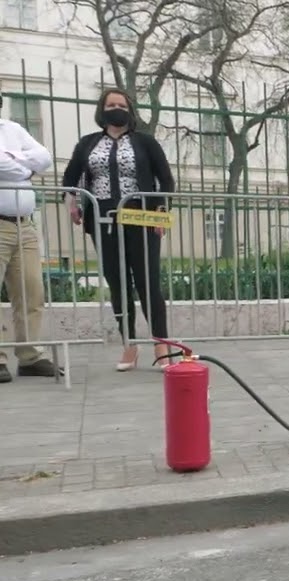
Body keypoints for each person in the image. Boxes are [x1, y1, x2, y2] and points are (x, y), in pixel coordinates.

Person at [61, 88, 175, 371]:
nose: (116, 109)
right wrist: (72, 203)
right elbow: (70, 178)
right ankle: (129, 345)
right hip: (102, 219)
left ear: (130, 110)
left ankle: (161, 344)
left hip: (141, 217)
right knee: (117, 281)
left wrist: (161, 208)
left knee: (148, 280)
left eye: (121, 105)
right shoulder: (88, 143)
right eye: (110, 104)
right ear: (102, 109)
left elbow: (166, 179)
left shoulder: (145, 142)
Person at [0, 94, 58, 383]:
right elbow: (5, 165)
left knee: (31, 292)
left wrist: (15, 162)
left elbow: (44, 156)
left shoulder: (12, 129)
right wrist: (25, 166)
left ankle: (30, 356)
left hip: (25, 226)